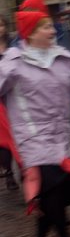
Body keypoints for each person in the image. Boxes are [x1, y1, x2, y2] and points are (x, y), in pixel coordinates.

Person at [0, 3, 70, 237]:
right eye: (45, 26)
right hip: (31, 136)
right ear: (30, 33)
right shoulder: (13, 62)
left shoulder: (62, 56)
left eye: (51, 25)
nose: (51, 30)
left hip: (61, 134)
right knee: (52, 185)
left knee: (58, 189)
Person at [0, 14, 20, 191]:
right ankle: (8, 172)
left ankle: (25, 170)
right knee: (4, 140)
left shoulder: (14, 48)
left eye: (1, 25)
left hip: (15, 98)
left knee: (18, 137)